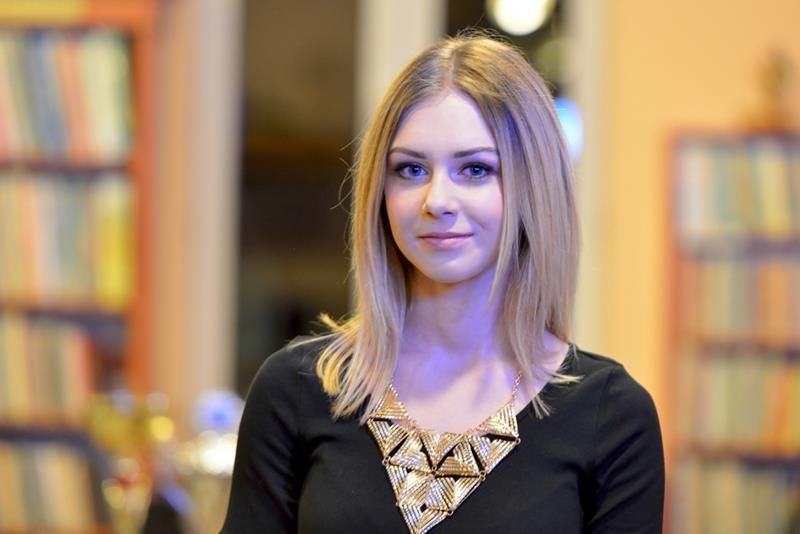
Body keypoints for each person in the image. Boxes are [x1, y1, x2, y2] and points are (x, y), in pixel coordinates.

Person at [222, 32, 664, 534]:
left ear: (535, 185)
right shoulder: (297, 389)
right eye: (411, 169)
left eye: (475, 169)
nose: (437, 201)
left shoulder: (611, 415)